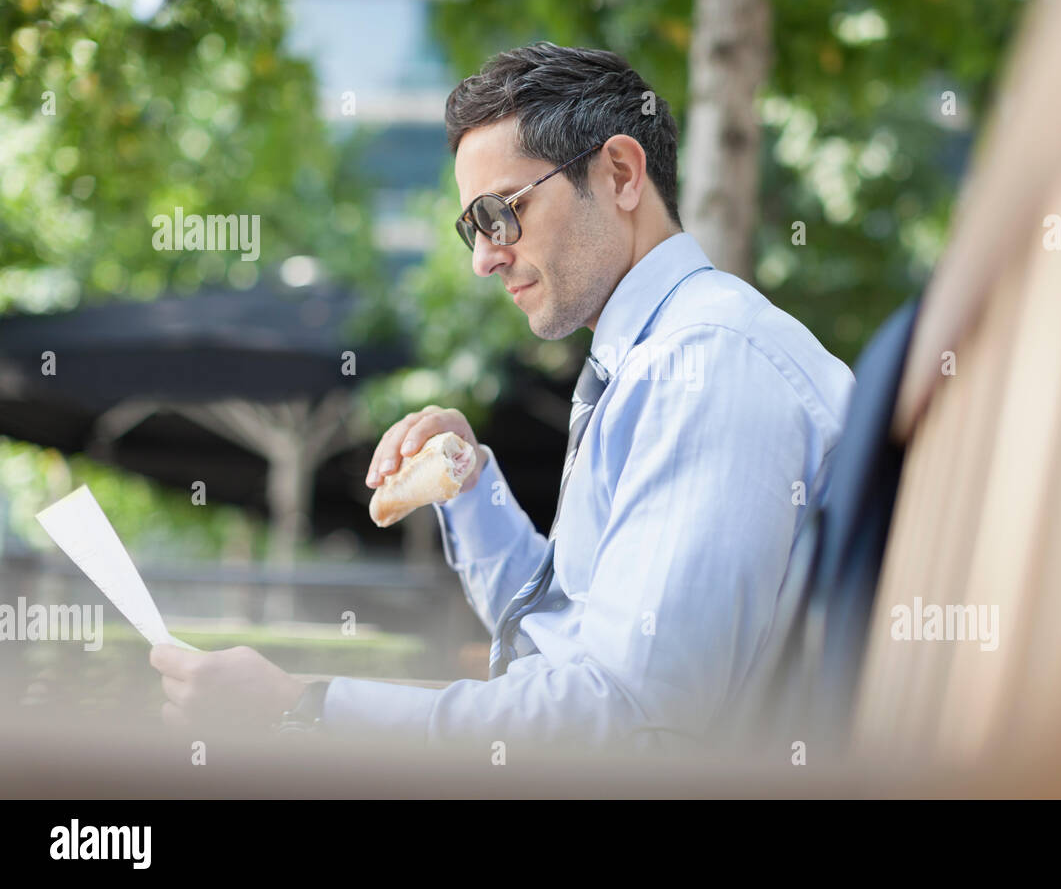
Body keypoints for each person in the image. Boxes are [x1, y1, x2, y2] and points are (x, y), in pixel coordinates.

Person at [150, 42, 855, 756]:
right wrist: (469, 486)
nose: (485, 257)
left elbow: (627, 718)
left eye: (500, 213)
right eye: (473, 229)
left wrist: (305, 710)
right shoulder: (660, 357)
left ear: (619, 173)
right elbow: (564, 638)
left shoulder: (704, 365)